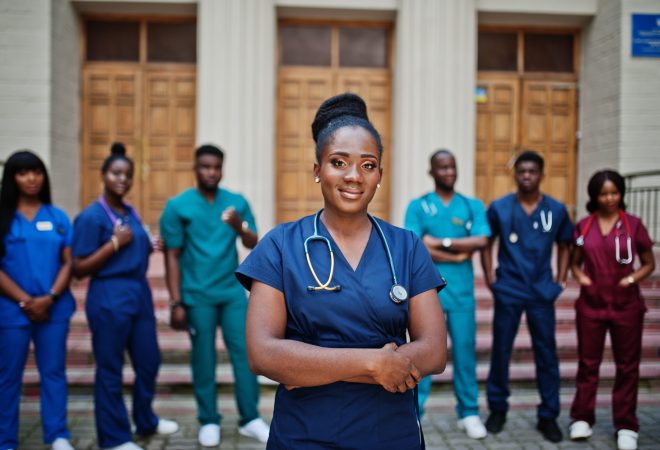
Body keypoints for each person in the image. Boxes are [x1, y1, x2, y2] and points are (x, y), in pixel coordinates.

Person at [235, 92, 448, 450]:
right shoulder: (280, 245)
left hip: (390, 433)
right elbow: (263, 354)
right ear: (317, 170)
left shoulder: (406, 247)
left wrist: (306, 366)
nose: (354, 176)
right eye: (338, 162)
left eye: (368, 165)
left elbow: (433, 352)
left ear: (379, 174)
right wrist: (376, 364)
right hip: (304, 435)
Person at [160, 144, 269, 447]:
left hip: (232, 291)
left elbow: (253, 242)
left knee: (247, 354)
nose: (211, 172)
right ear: (195, 168)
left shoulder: (235, 203)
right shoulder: (178, 205)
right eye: (206, 166)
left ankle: (250, 419)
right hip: (197, 295)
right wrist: (175, 301)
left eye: (216, 167)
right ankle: (208, 420)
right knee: (203, 358)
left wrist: (239, 225)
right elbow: (172, 255)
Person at [72, 143, 178, 450]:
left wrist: (148, 244)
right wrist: (114, 245)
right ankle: (114, 438)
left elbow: (134, 243)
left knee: (149, 361)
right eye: (116, 173)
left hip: (138, 294)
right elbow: (79, 267)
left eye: (127, 175)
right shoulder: (91, 217)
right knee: (110, 369)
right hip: (108, 296)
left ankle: (145, 421)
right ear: (103, 175)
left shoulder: (129, 211)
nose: (123, 179)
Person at [480, 150, 572, 443]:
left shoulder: (556, 210)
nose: (527, 176)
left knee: (546, 353)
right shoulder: (500, 207)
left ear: (541, 175)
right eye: (522, 172)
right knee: (501, 351)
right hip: (509, 288)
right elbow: (486, 242)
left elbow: (565, 244)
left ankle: (548, 416)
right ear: (515, 174)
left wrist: (560, 279)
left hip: (541, 290)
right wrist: (491, 278)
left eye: (532, 171)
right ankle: (497, 409)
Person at [404, 149, 490, 438]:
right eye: (442, 168)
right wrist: (455, 252)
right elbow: (416, 244)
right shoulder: (418, 206)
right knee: (424, 352)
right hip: (426, 292)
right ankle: (415, 412)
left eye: (452, 167)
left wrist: (440, 243)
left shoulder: (471, 205)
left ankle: (469, 412)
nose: (449, 172)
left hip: (462, 293)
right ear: (431, 172)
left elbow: (480, 239)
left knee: (465, 351)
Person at [568, 170, 655, 450]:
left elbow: (648, 263)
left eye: (614, 193)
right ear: (594, 196)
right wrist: (582, 278)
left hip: (626, 306)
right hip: (591, 305)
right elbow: (575, 262)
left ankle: (626, 425)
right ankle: (582, 418)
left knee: (627, 366)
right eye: (603, 194)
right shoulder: (584, 226)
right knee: (588, 364)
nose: (609, 198)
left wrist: (631, 279)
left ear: (621, 194)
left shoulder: (633, 225)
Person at [0, 151, 75, 450]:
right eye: (23, 173)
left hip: (53, 310)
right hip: (11, 311)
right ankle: (6, 440)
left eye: (37, 172)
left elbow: (68, 262)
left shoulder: (57, 217)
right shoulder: (3, 219)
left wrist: (50, 297)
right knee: (8, 377)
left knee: (54, 372)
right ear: (12, 178)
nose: (31, 179)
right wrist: (26, 300)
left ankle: (57, 435)